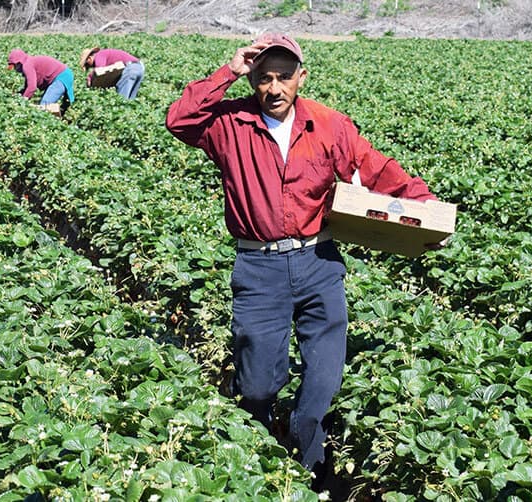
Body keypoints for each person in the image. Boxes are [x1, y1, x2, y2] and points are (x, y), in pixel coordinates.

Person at [166, 33, 442, 476]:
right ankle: (252, 454)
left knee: (323, 379)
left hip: (319, 261)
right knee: (257, 383)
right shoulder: (229, 124)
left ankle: (309, 460)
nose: (274, 88)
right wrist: (227, 71)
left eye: (284, 77)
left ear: (301, 78)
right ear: (252, 79)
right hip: (259, 266)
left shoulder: (328, 124)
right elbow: (179, 120)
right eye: (263, 78)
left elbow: (375, 167)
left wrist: (424, 206)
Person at [8, 49, 75, 113]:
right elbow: (27, 87)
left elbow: (32, 87)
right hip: (63, 75)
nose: (15, 69)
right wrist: (18, 95)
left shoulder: (27, 66)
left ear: (18, 63)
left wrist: (23, 101)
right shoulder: (29, 62)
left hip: (61, 76)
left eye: (14, 66)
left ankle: (51, 123)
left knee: (45, 104)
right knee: (61, 106)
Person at [79, 47, 144, 100]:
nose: (91, 67)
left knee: (122, 99)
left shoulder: (99, 55)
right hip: (139, 67)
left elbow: (99, 70)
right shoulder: (104, 54)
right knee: (130, 99)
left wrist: (90, 78)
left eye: (88, 65)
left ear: (89, 58)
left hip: (130, 69)